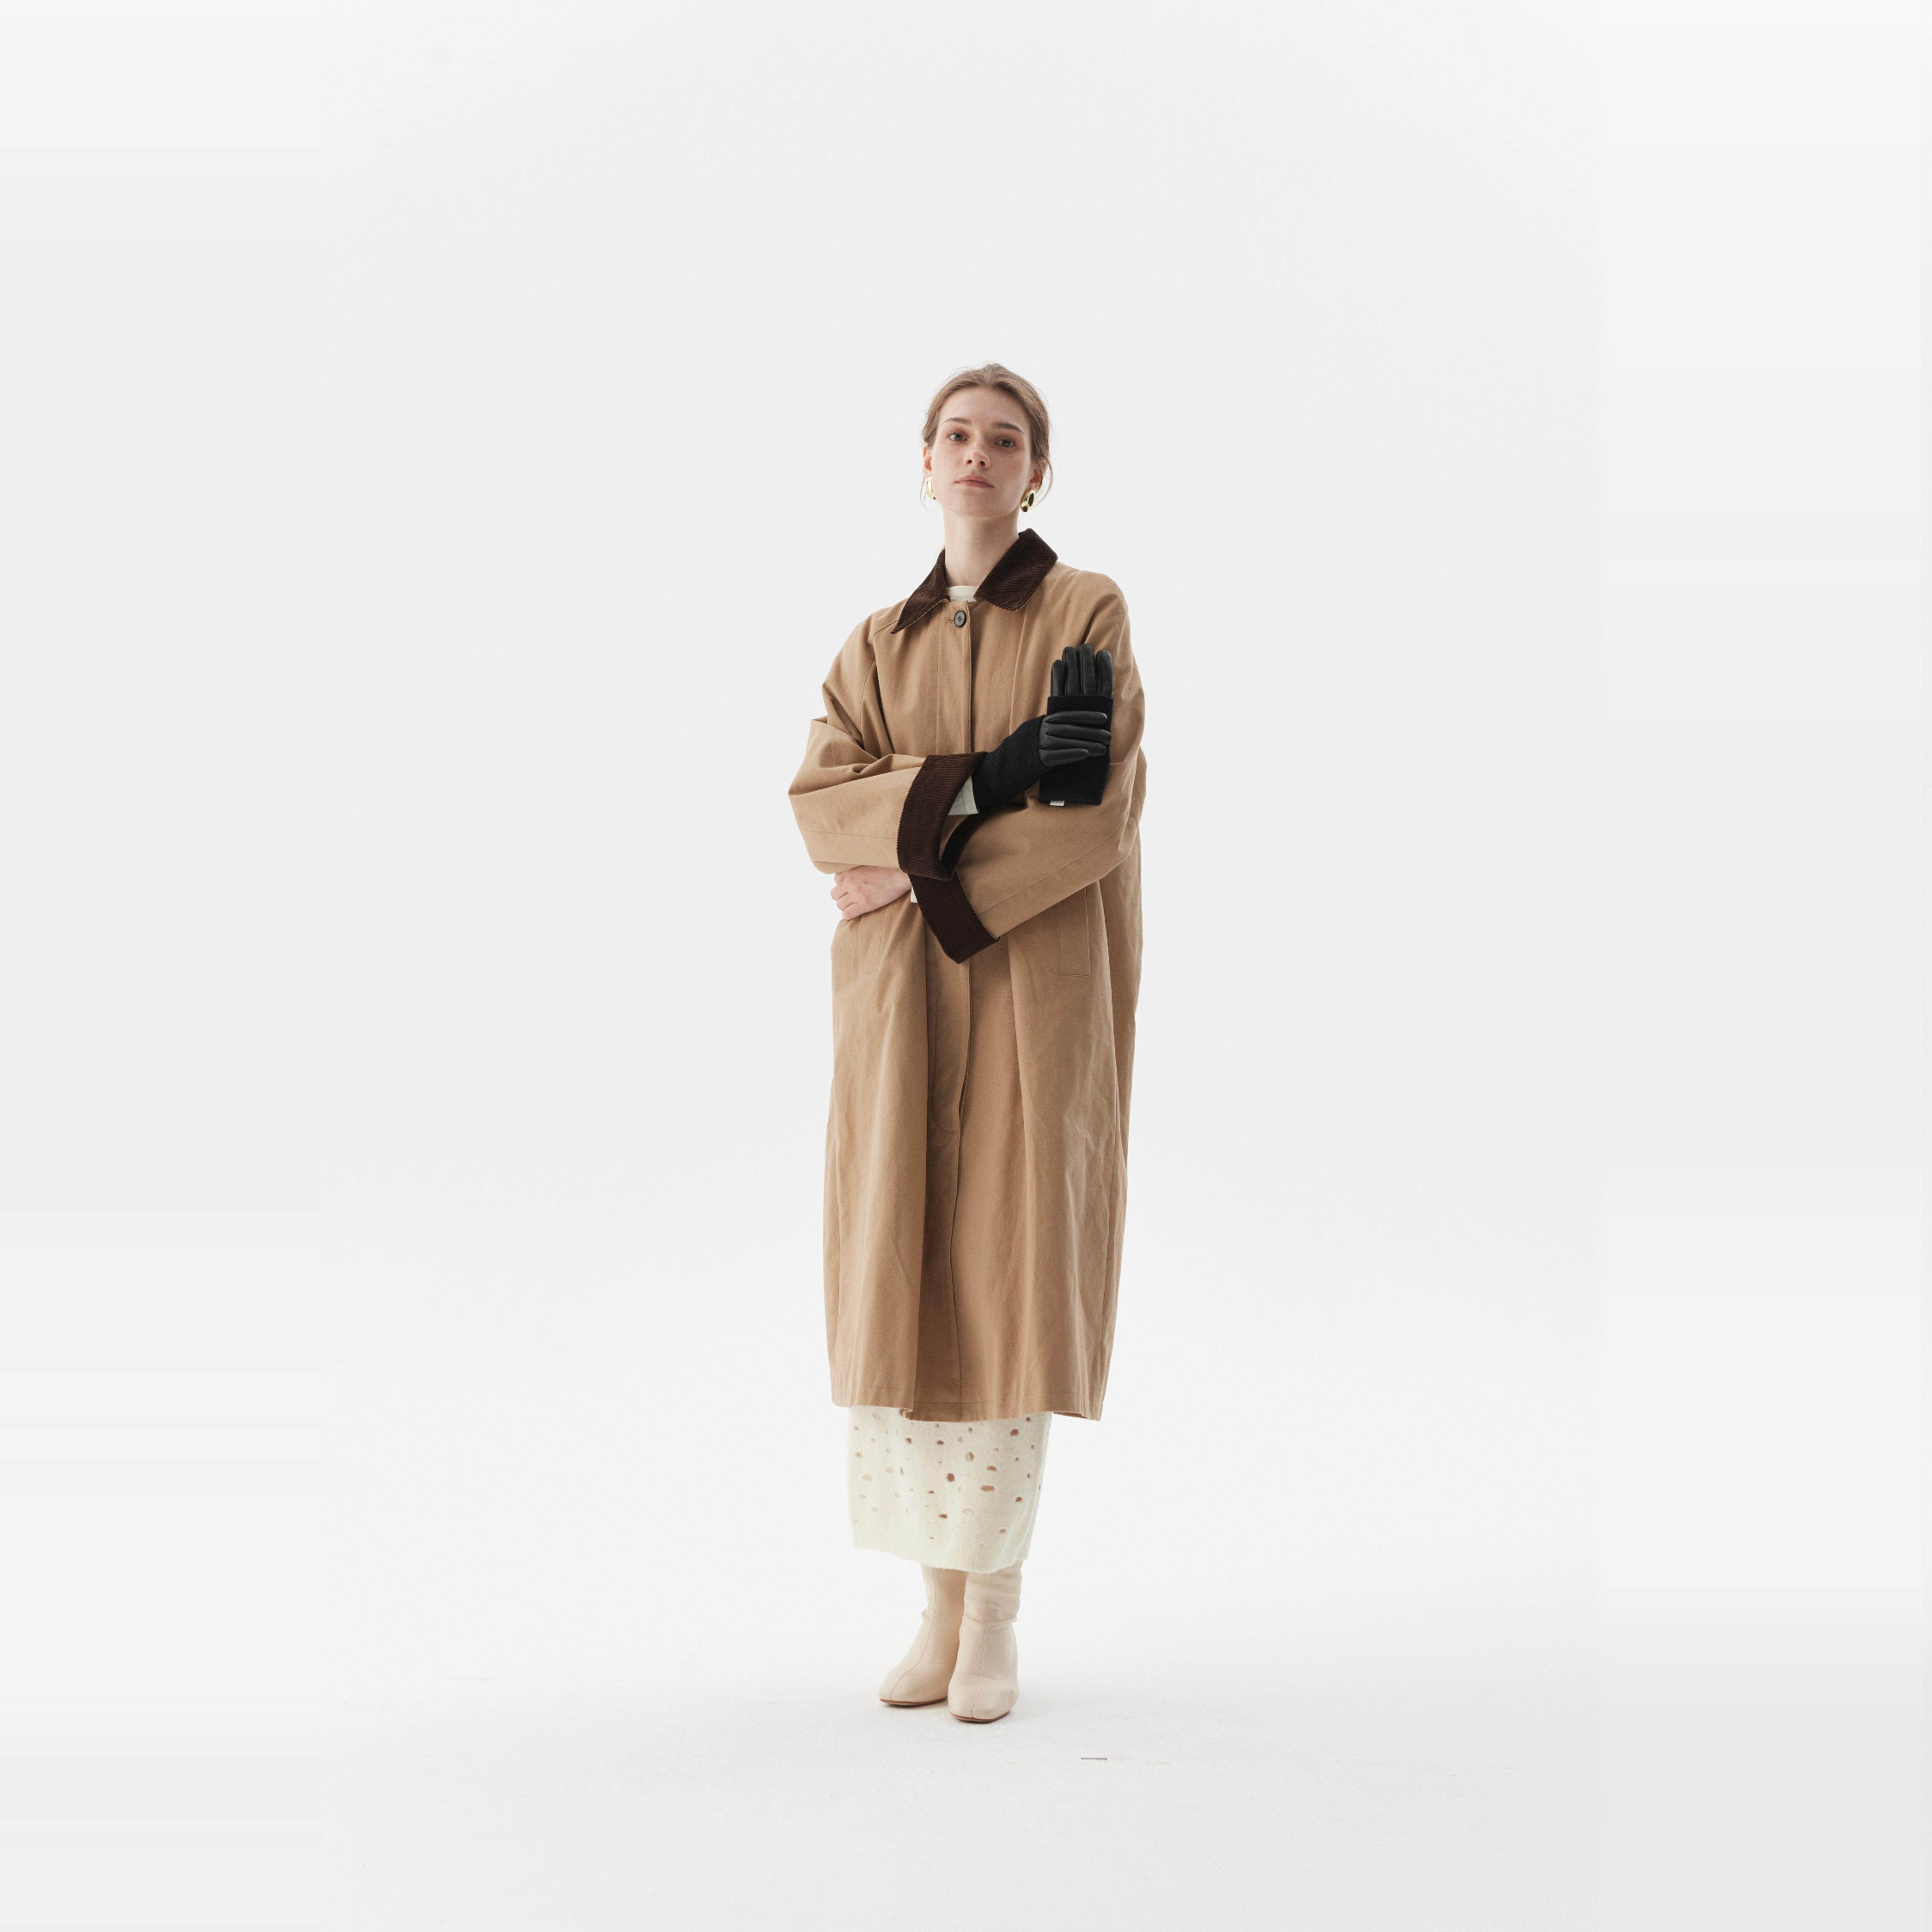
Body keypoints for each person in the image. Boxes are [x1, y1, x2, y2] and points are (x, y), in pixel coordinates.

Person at [787, 362, 1148, 1723]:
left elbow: (1089, 810)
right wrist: (975, 789)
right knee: (906, 1270)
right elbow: (821, 802)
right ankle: (932, 1608)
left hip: (1030, 983)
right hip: (898, 1003)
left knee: (1006, 1272)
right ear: (926, 463)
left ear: (1037, 472)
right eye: (957, 435)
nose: (978, 454)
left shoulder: (1082, 610)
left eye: (1006, 439)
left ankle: (993, 1613)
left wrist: (910, 862)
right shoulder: (875, 645)